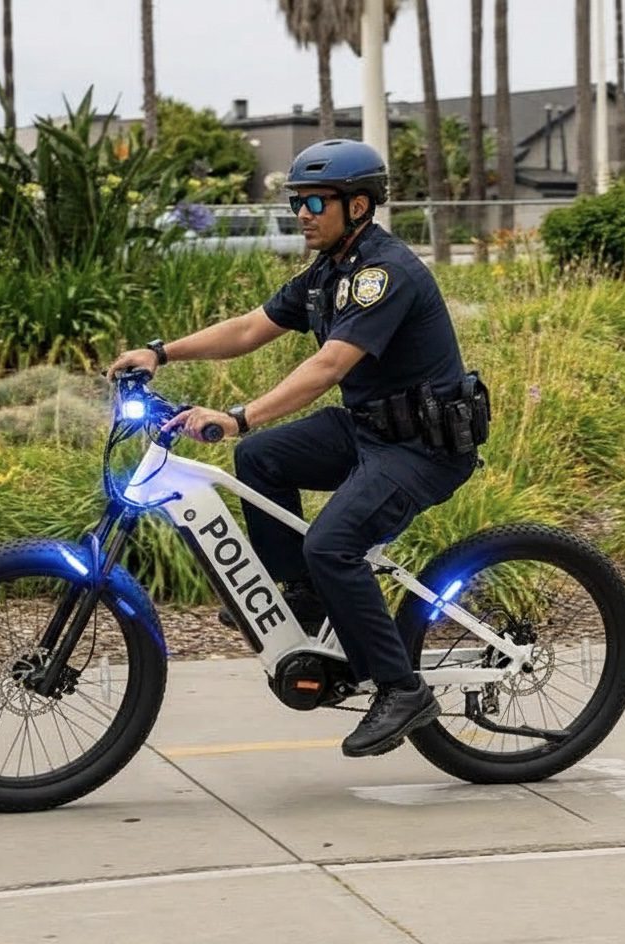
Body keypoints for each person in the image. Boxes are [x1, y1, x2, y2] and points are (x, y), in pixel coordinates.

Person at [107, 138, 481, 758]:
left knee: (332, 544)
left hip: (422, 447)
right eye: (295, 203)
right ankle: (304, 595)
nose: (301, 214)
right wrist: (160, 352)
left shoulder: (382, 274)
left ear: (357, 205)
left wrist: (238, 417)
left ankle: (400, 689)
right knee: (261, 459)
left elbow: (329, 366)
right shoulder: (329, 272)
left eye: (313, 202)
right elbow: (249, 329)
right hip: (368, 430)